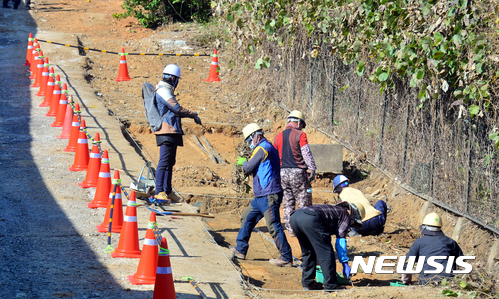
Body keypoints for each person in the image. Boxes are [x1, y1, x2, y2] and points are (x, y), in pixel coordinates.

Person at [232, 123, 293, 267]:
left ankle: (286, 257)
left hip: (269, 195)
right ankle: (240, 250)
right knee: (247, 217)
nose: (249, 144)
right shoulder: (262, 148)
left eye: (249, 141)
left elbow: (248, 167)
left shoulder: (263, 148)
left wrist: (243, 163)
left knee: (273, 225)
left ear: (256, 136)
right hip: (261, 196)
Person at [290, 201, 366, 291]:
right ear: (354, 214)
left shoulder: (335, 211)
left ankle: (308, 283)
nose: (351, 224)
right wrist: (345, 263)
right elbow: (340, 241)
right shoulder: (346, 215)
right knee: (326, 253)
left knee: (308, 252)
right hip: (310, 218)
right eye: (353, 222)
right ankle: (331, 286)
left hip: (295, 216)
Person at [153, 64, 201, 203]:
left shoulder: (166, 89)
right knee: (164, 162)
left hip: (172, 131)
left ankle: (167, 191)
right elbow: (177, 108)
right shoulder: (163, 91)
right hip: (166, 131)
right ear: (173, 78)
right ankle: (159, 192)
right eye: (177, 79)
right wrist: (194, 114)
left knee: (170, 162)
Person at [273, 110, 317, 237]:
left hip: (282, 173)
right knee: (304, 200)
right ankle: (305, 228)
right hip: (298, 172)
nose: (302, 127)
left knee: (288, 201)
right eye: (302, 124)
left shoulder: (277, 137)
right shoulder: (300, 135)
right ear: (298, 122)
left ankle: (290, 229)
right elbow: (306, 153)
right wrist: (312, 168)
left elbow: (275, 157)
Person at [401, 212, 464, 285]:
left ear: (424, 228)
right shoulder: (451, 242)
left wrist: (406, 280)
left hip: (426, 280)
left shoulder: (419, 242)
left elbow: (408, 262)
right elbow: (461, 263)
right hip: (448, 281)